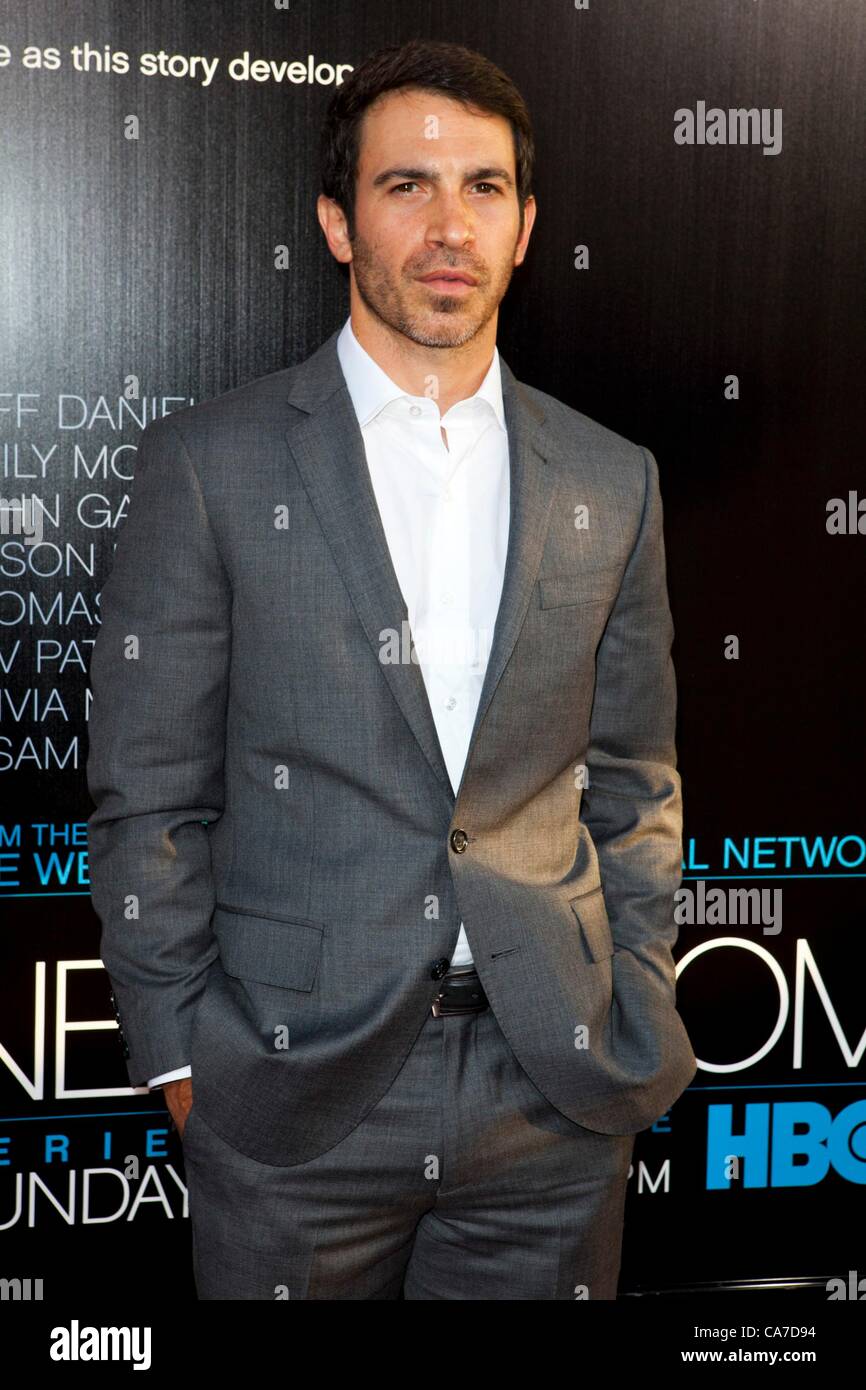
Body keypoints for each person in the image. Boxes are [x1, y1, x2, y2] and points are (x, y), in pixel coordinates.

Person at [87, 37, 697, 1300]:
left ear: (526, 227)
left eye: (482, 188)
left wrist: (628, 991)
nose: (447, 226)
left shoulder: (608, 477)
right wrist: (181, 1059)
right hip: (291, 1097)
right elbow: (148, 794)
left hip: (552, 1093)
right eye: (405, 185)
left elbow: (635, 779)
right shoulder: (211, 466)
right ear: (334, 219)